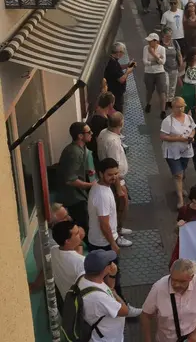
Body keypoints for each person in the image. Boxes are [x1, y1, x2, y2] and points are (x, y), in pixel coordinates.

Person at [141, 259, 196, 342]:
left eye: (182, 281)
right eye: (173, 280)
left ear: (191, 277)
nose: (176, 284)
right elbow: (145, 315)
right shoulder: (158, 288)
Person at [87, 157, 132, 303]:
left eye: (116, 174)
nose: (114, 177)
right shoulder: (102, 195)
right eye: (110, 174)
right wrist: (113, 243)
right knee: (113, 276)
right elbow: (104, 223)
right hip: (104, 243)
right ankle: (121, 305)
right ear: (101, 174)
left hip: (99, 240)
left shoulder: (100, 187)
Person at [75, 250, 131, 340]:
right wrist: (114, 292)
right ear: (105, 269)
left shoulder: (82, 276)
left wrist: (112, 276)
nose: (112, 263)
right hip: (106, 338)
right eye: (109, 263)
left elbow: (107, 287)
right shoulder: (99, 298)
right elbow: (125, 311)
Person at [97, 112, 133, 247]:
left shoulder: (103, 133)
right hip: (116, 181)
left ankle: (119, 229)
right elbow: (114, 167)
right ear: (121, 124)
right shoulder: (112, 142)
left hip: (112, 178)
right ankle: (117, 234)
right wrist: (119, 188)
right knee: (121, 207)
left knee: (119, 207)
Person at [57, 122, 96, 234]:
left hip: (78, 195)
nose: (91, 133)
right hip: (74, 198)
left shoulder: (80, 149)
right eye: (89, 132)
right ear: (80, 136)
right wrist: (91, 185)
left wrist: (84, 171)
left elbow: (73, 169)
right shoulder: (74, 152)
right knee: (83, 225)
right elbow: (70, 180)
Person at [160, 97, 196, 209]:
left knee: (182, 171)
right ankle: (180, 199)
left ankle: (179, 187)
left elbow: (193, 129)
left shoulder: (188, 118)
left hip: (186, 151)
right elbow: (162, 136)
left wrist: (191, 136)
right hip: (172, 152)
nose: (180, 109)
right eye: (177, 107)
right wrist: (178, 138)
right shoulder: (167, 121)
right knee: (178, 175)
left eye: (182, 106)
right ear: (172, 107)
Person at [50, 220, 85, 299]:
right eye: (77, 234)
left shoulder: (53, 251)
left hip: (66, 301)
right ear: (67, 241)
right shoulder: (81, 262)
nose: (80, 234)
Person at [143, 33, 169, 119]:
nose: (149, 42)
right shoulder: (145, 48)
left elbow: (163, 62)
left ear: (156, 41)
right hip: (149, 73)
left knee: (162, 91)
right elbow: (145, 62)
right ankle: (148, 103)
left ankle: (163, 110)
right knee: (149, 91)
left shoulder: (162, 49)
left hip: (160, 72)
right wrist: (157, 59)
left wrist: (153, 54)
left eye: (150, 41)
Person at [104, 42, 134, 113]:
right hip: (115, 94)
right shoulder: (112, 63)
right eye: (122, 53)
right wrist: (128, 71)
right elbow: (121, 79)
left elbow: (118, 68)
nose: (123, 55)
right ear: (118, 52)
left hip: (114, 92)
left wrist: (127, 65)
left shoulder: (112, 60)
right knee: (117, 112)